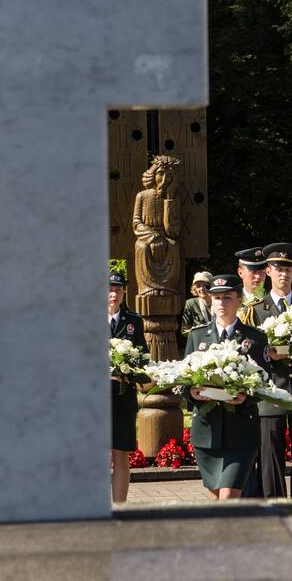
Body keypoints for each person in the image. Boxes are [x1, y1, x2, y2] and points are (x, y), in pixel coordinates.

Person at [239, 242, 292, 498]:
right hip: (271, 389)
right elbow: (247, 352)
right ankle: (273, 506)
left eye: (288, 268)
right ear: (268, 271)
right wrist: (269, 354)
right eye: (278, 268)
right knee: (270, 457)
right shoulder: (254, 309)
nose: (283, 274)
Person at [183, 273, 268, 500]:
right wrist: (191, 393)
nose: (221, 303)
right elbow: (183, 379)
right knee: (217, 497)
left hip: (241, 431)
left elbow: (265, 383)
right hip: (206, 432)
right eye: (217, 297)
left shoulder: (255, 338)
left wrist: (246, 397)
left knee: (229, 495)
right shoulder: (197, 335)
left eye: (228, 297)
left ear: (239, 300)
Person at [108, 271, 148, 503]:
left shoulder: (134, 321)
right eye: (109, 289)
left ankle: (120, 507)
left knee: (121, 452)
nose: (113, 294)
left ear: (124, 292)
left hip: (123, 396)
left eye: (118, 289)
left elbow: (143, 358)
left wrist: (130, 372)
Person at [132, 156, 181, 296]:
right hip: (147, 236)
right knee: (142, 247)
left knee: (173, 245)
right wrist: (153, 237)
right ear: (153, 175)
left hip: (166, 237)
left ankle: (168, 288)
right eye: (160, 173)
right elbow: (136, 223)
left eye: (169, 175)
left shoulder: (172, 199)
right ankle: (148, 288)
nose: (164, 179)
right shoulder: (142, 195)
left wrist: (170, 197)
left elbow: (173, 231)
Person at [180, 270, 213, 336]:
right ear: (194, 289)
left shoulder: (220, 301)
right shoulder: (191, 303)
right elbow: (185, 329)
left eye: (205, 285)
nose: (202, 288)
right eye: (198, 286)